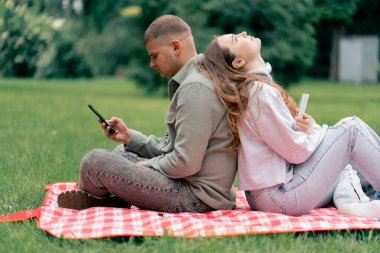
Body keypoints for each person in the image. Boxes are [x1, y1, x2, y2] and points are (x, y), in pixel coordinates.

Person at [57, 15, 237, 213]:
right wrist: (129, 138)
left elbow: (186, 163)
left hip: (196, 197)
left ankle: (102, 199)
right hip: (189, 183)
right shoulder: (197, 78)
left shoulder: (196, 87)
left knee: (94, 163)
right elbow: (171, 149)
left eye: (154, 56)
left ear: (176, 47)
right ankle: (108, 199)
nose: (151, 64)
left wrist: (146, 166)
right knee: (122, 152)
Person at [196, 31, 380, 217]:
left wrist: (309, 129)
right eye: (236, 38)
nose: (243, 33)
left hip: (267, 197)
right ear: (238, 62)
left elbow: (288, 145)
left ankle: (352, 203)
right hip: (279, 198)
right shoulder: (259, 92)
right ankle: (357, 201)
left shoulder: (253, 90)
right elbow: (296, 151)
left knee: (339, 160)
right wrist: (315, 132)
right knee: (352, 129)